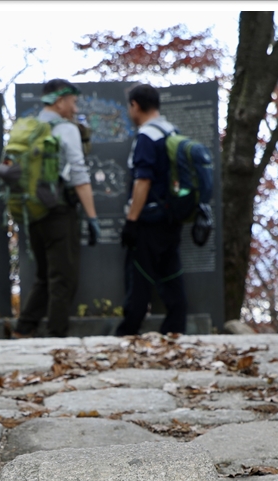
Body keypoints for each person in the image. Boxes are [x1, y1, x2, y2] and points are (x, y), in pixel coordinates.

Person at [12, 80, 102, 338]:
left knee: (44, 274)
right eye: (73, 102)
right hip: (59, 210)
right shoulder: (65, 129)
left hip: (33, 211)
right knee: (64, 277)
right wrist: (92, 217)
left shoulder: (29, 128)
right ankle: (55, 335)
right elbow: (79, 174)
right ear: (60, 101)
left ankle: (24, 328)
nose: (75, 108)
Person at [115, 83, 187, 336]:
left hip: (150, 219)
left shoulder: (147, 136)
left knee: (139, 276)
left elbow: (143, 180)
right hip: (172, 216)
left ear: (135, 105)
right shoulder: (171, 131)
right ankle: (175, 329)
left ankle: (128, 331)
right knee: (171, 273)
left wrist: (132, 221)